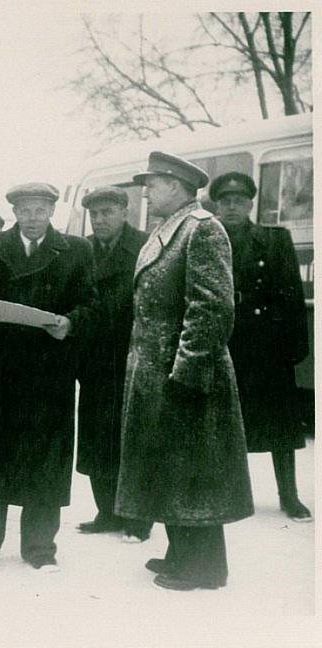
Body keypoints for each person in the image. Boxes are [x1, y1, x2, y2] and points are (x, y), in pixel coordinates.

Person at [116, 152, 254, 591]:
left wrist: (188, 372)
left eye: (152, 184)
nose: (146, 192)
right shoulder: (168, 229)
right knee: (170, 467)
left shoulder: (202, 229)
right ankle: (180, 553)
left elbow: (212, 306)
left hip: (186, 376)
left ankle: (205, 567)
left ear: (176, 186)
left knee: (195, 471)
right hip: (157, 372)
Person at [0, 182, 97, 573]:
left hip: (48, 375)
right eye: (25, 211)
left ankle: (39, 549)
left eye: (40, 210)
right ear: (14, 212)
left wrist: (71, 323)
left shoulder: (76, 250)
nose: (33, 219)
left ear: (52, 211)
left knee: (45, 463)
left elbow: (91, 303)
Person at [209, 171, 311, 521]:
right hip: (226, 343)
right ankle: (227, 492)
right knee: (225, 423)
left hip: (267, 348)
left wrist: (296, 347)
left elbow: (292, 296)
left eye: (239, 201)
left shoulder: (273, 240)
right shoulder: (209, 238)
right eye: (225, 202)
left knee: (281, 426)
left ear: (250, 204)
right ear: (217, 206)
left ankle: (290, 495)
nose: (232, 207)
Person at [75, 186, 152, 542]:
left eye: (107, 212)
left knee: (133, 440)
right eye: (95, 214)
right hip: (94, 361)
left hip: (132, 357)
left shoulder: (145, 246)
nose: (100, 220)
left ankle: (139, 518)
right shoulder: (83, 250)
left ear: (125, 211)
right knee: (96, 437)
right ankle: (107, 511)